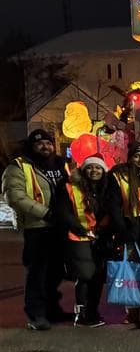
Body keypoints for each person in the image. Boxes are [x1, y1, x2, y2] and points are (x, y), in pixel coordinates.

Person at [2, 129, 69, 330]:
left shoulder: (61, 164)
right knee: (37, 273)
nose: (45, 147)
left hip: (61, 227)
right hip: (37, 227)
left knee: (57, 271)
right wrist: (45, 213)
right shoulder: (18, 167)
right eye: (39, 144)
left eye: (48, 143)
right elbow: (15, 197)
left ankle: (52, 309)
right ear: (32, 146)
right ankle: (36, 314)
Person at [56, 155, 113, 327]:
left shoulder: (106, 188)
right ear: (83, 170)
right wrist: (81, 229)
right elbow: (63, 212)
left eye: (98, 168)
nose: (94, 171)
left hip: (99, 238)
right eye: (90, 167)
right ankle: (82, 314)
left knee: (98, 276)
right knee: (85, 275)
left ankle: (93, 311)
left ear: (103, 171)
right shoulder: (70, 187)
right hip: (79, 237)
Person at [109, 141, 140, 325]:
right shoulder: (120, 176)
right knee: (130, 272)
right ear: (130, 158)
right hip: (129, 228)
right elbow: (113, 205)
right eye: (136, 156)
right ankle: (132, 310)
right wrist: (122, 228)